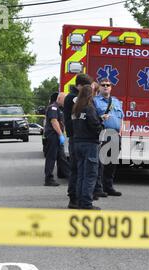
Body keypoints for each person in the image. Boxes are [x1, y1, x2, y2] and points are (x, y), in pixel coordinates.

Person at [63, 74, 93, 208]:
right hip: (76, 138)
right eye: (86, 87)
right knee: (76, 169)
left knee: (78, 169)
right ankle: (73, 198)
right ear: (80, 85)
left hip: (76, 138)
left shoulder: (73, 97)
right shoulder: (73, 98)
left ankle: (77, 198)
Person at [71, 85, 103, 210]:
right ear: (91, 94)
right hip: (90, 144)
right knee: (90, 175)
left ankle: (79, 201)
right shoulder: (89, 108)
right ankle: (86, 204)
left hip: (78, 143)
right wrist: (101, 123)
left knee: (81, 175)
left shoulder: (76, 109)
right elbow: (95, 126)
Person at [94, 78, 123, 197]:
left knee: (112, 163)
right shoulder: (94, 101)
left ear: (111, 87)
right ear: (99, 87)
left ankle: (109, 186)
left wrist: (120, 131)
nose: (105, 87)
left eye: (108, 85)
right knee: (100, 163)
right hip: (102, 133)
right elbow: (92, 118)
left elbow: (121, 117)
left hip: (115, 134)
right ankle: (98, 188)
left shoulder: (116, 101)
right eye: (103, 85)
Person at [44, 92, 70, 186]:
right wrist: (60, 135)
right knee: (51, 157)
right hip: (53, 136)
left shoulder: (59, 108)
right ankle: (48, 179)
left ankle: (70, 177)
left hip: (56, 136)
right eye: (65, 99)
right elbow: (54, 121)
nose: (66, 102)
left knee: (62, 158)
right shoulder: (53, 108)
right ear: (59, 99)